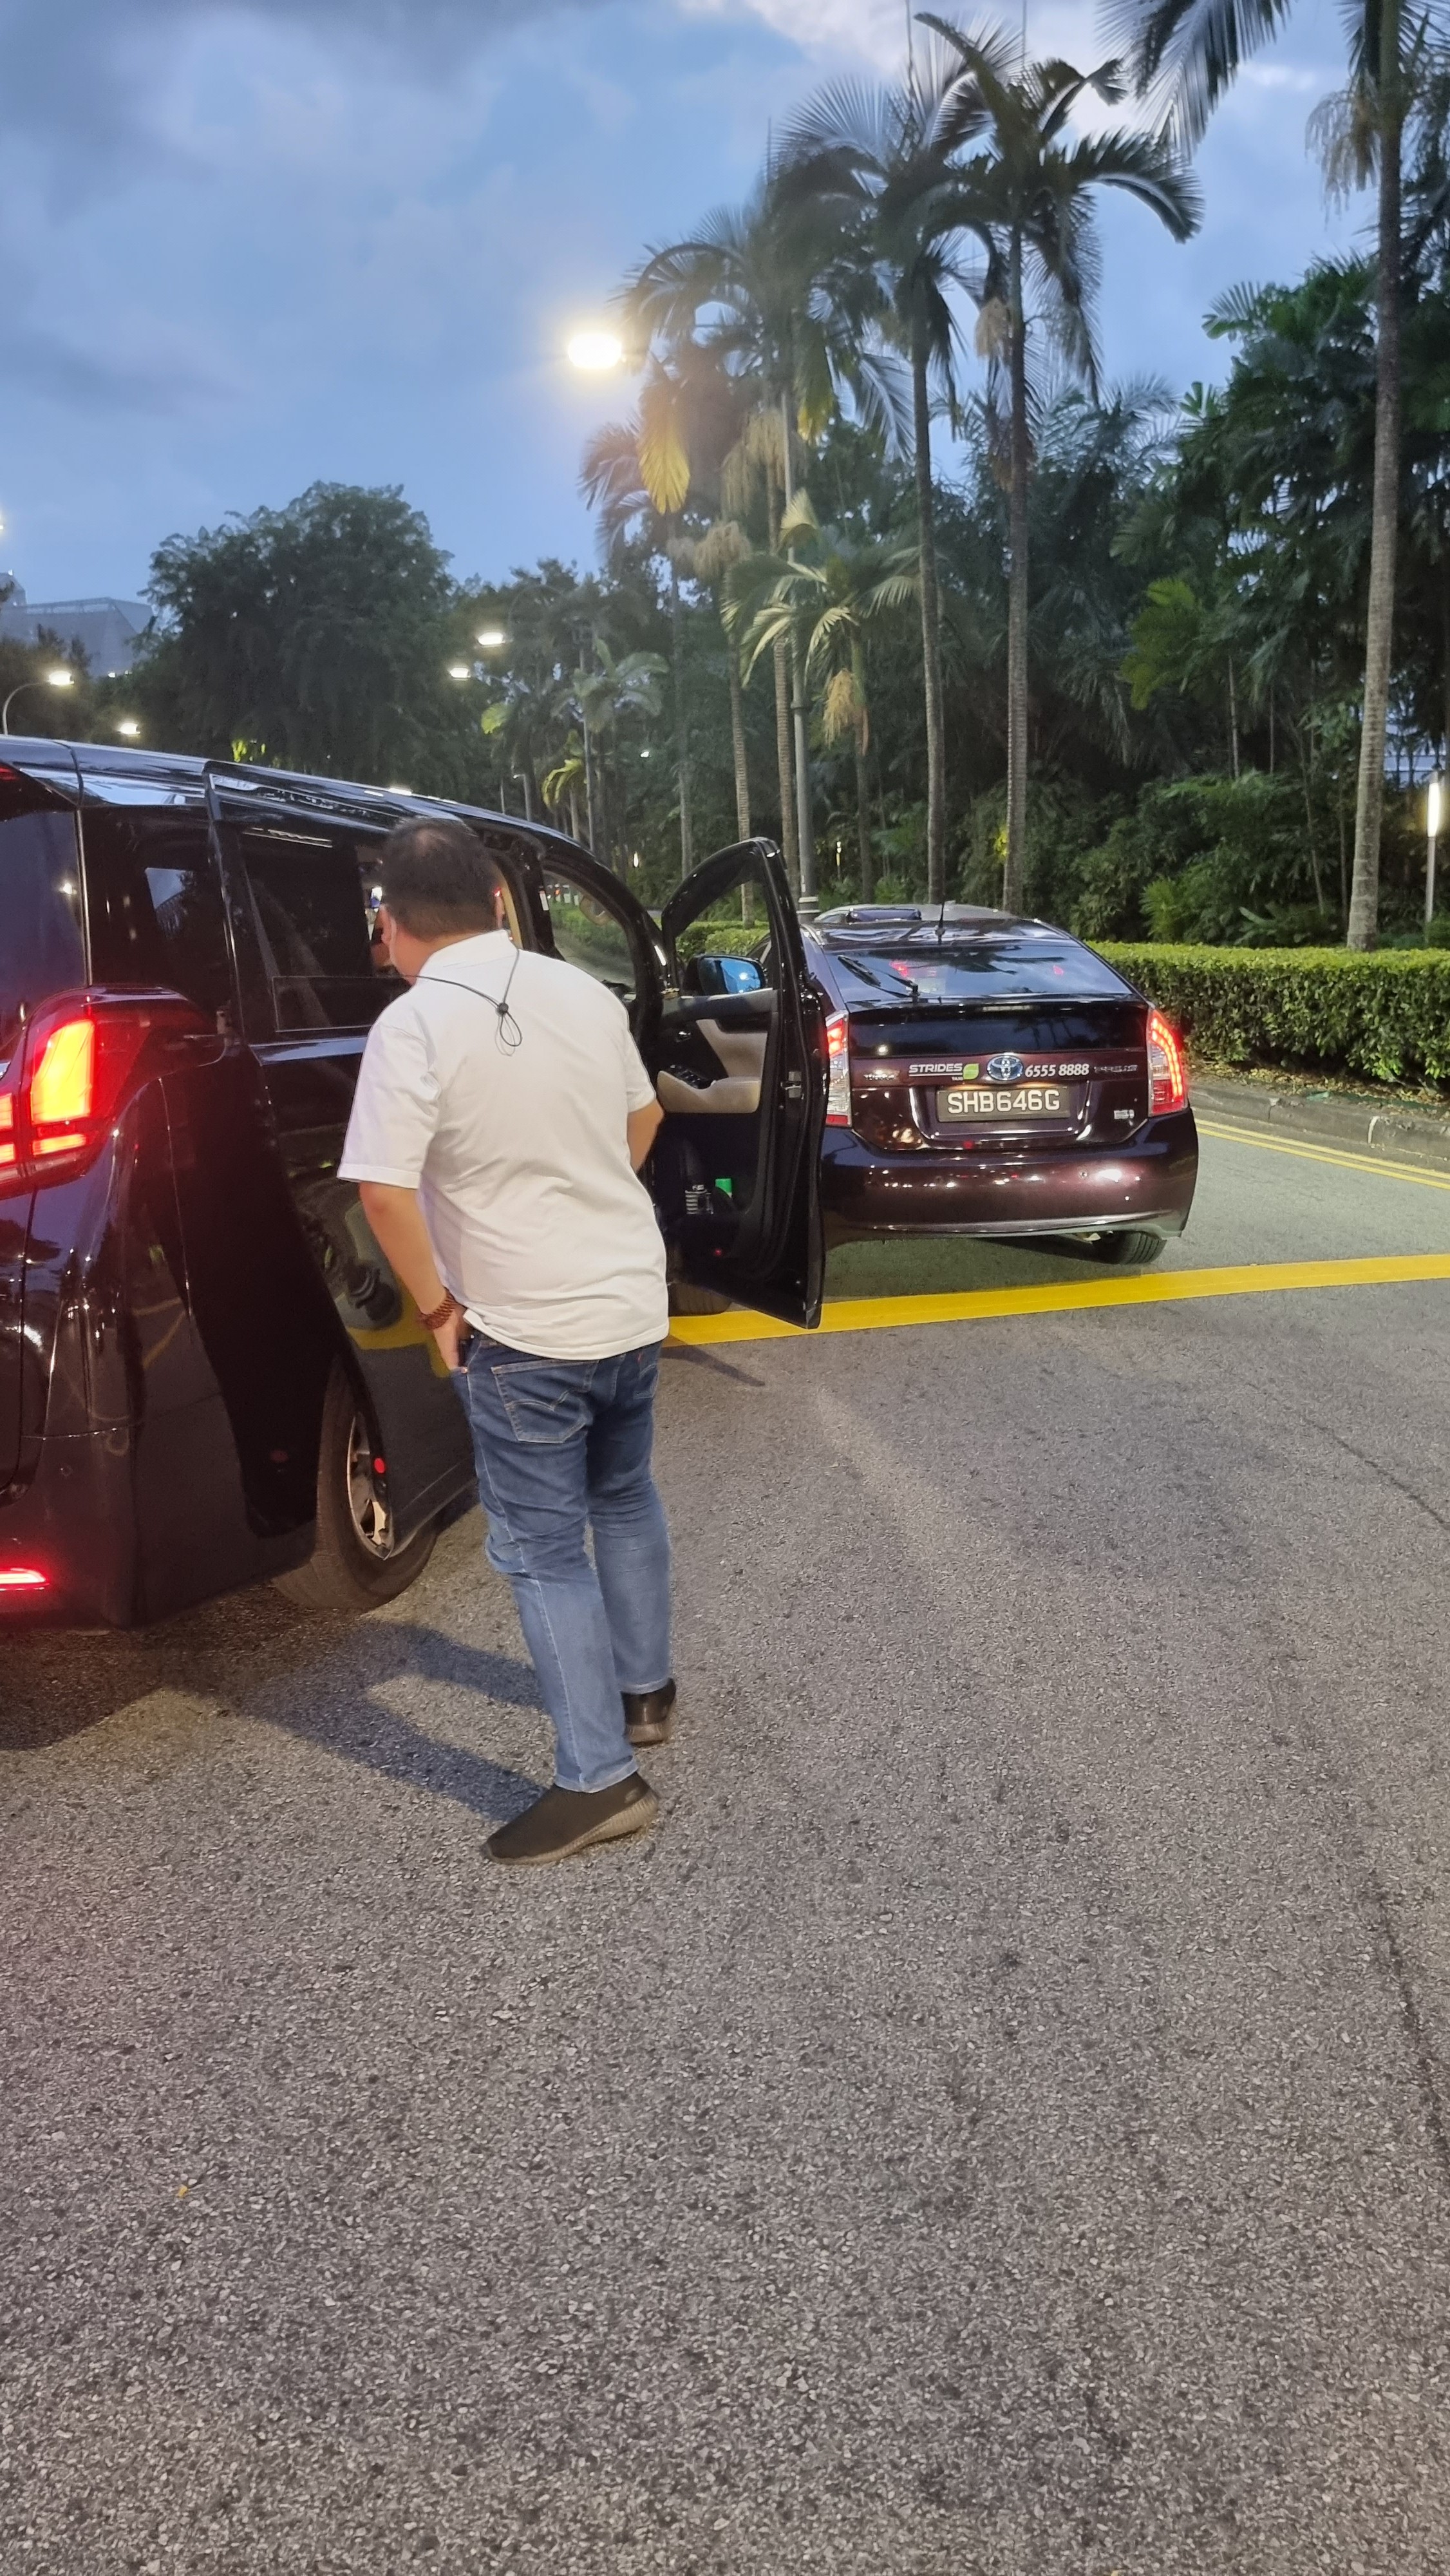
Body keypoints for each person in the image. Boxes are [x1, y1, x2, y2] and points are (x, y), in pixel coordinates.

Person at [339, 817, 677, 1866]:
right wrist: (583, 1198)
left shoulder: (411, 1027)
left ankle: (599, 1781)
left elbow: (383, 1192)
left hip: (525, 1330)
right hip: (628, 1303)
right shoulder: (583, 992)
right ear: (499, 902)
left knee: (540, 1551)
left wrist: (440, 1312)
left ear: (391, 924)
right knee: (624, 1496)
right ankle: (645, 1695)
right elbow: (646, 1120)